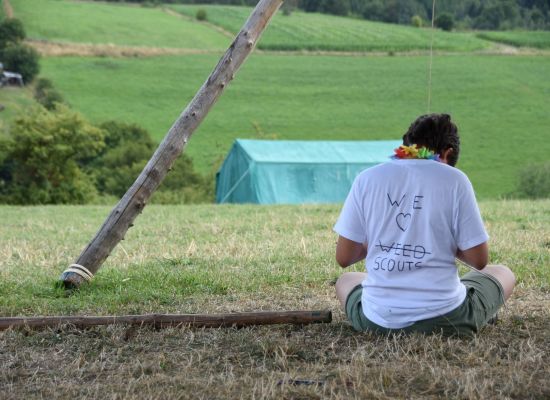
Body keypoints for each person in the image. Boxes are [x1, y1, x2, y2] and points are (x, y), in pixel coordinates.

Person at [333, 114, 515, 337]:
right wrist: (442, 243)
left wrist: (387, 244)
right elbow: (479, 260)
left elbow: (344, 258)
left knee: (348, 279)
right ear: (447, 152)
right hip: (447, 319)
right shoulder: (455, 179)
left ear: (407, 146)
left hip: (377, 321)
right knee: (502, 272)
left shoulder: (367, 178)